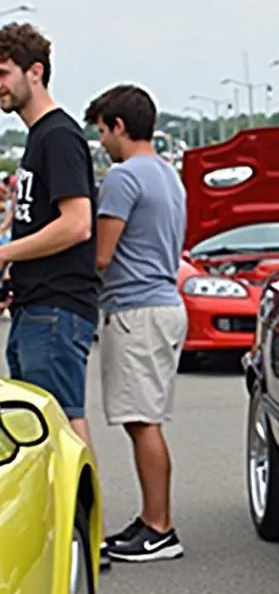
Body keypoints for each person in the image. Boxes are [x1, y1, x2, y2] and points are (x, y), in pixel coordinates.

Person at [84, 84, 188, 563]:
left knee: (142, 421)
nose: (101, 140)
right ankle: (151, 519)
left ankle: (159, 527)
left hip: (135, 310)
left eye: (102, 130)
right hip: (165, 302)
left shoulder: (123, 179)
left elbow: (101, 255)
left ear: (119, 127)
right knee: (144, 417)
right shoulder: (168, 176)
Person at [0, 22, 100, 449]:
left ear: (34, 72)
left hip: (57, 308)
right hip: (33, 304)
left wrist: (4, 252)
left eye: (3, 73)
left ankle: (79, 517)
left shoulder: (58, 135)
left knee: (59, 428)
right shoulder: (38, 137)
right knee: (37, 435)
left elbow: (77, 223)